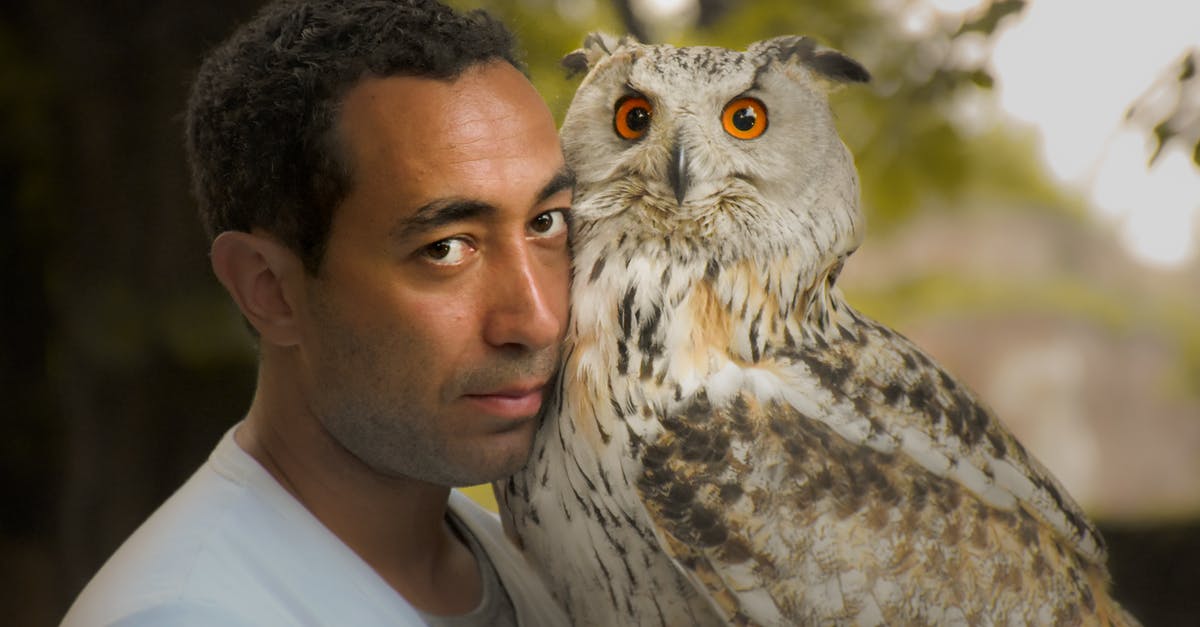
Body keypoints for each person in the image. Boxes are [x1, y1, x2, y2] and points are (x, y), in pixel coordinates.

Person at [61, 0, 573, 624]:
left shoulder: (523, 559)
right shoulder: (193, 613)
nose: (538, 319)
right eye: (444, 249)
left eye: (547, 223)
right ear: (268, 289)